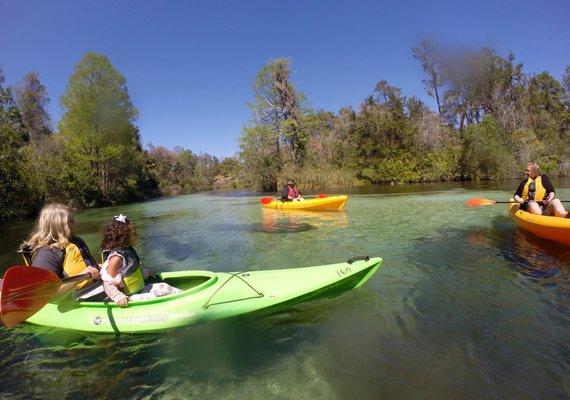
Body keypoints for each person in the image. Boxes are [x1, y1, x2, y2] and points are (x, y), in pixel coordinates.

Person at [100, 214, 180, 307]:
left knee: (164, 287)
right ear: (123, 237)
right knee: (151, 296)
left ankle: (184, 297)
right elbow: (107, 283)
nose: (137, 235)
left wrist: (146, 273)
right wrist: (118, 296)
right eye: (134, 233)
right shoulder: (116, 258)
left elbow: (131, 272)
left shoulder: (128, 250)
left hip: (139, 289)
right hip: (129, 296)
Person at [21, 204, 100, 293]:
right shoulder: (47, 253)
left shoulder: (76, 241)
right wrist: (81, 276)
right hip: (73, 299)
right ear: (60, 225)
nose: (75, 223)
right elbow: (45, 293)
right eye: (71, 221)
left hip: (95, 288)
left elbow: (86, 264)